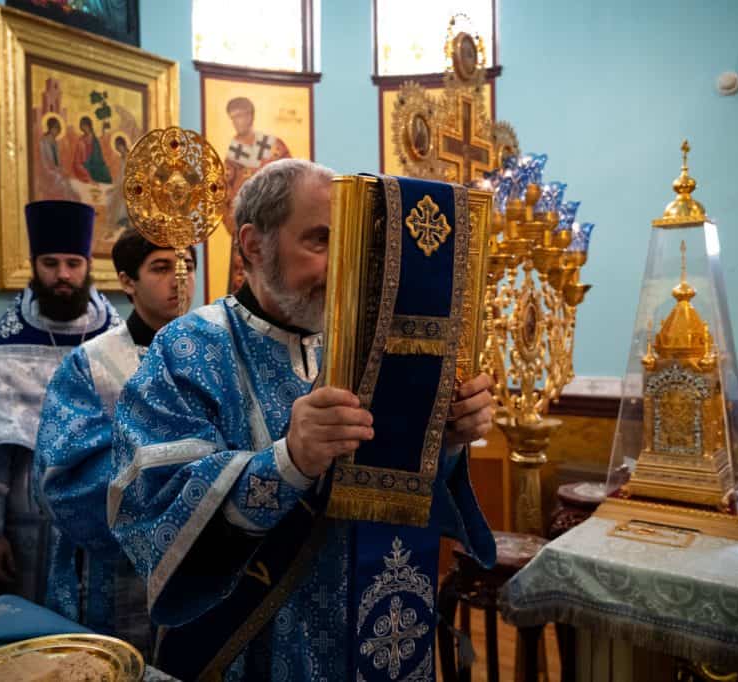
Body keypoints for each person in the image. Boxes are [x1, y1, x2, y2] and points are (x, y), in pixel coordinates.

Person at [108, 159, 496, 679]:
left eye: (353, 244)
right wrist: (288, 462)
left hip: (371, 630)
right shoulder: (186, 348)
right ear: (252, 245)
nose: (344, 267)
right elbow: (152, 505)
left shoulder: (369, 345)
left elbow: (398, 488)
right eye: (320, 242)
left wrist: (446, 439)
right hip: (251, 647)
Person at [0, 200, 120, 606]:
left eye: (73, 263)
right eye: (50, 263)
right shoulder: (6, 348)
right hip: (25, 524)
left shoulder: (115, 342)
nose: (63, 276)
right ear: (34, 265)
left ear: (89, 265)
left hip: (100, 521)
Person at [33, 231, 196, 655]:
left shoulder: (215, 354)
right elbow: (63, 477)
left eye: (188, 267)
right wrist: (176, 496)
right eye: (161, 268)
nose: (180, 281)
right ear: (127, 281)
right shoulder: (92, 364)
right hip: (119, 572)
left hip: (205, 561)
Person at [222, 96, 290, 293]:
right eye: (233, 117)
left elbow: (290, 180)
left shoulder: (273, 145)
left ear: (250, 116)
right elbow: (223, 191)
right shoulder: (233, 153)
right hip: (245, 228)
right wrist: (232, 223)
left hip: (274, 225)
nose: (237, 121)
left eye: (240, 116)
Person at [72, 116, 112, 184]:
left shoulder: (95, 139)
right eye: (82, 127)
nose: (84, 128)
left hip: (97, 166)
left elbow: (99, 155)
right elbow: (77, 162)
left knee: (106, 175)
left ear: (89, 126)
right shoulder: (81, 141)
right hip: (86, 167)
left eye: (85, 126)